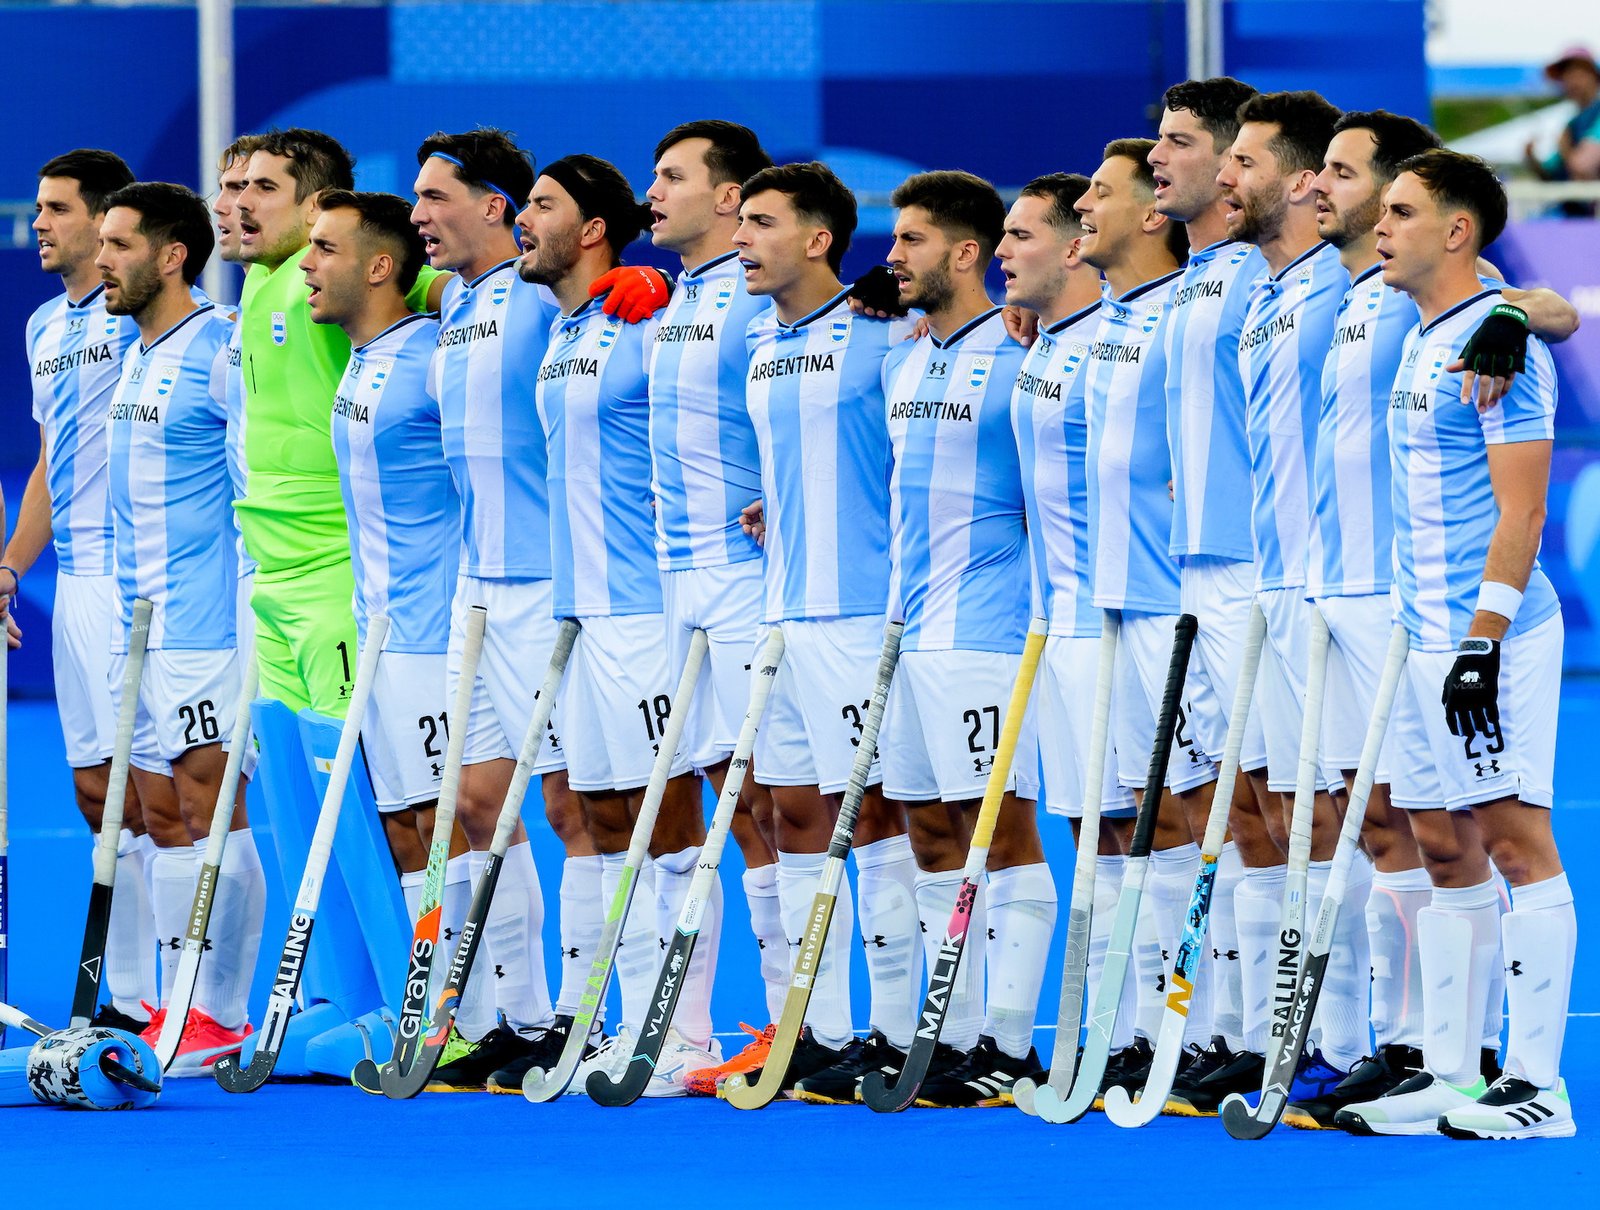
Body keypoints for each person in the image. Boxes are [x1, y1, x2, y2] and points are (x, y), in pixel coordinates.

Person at [1302, 113, 1581, 1129]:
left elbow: (1523, 513)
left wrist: (1481, 643)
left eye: (1402, 211)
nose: (1380, 224)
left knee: (1514, 842)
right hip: (1416, 634)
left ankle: (1538, 1087)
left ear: (1457, 231)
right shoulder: (1421, 334)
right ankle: (1451, 1074)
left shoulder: (1499, 347)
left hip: (1484, 638)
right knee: (1442, 847)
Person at [521, 154, 716, 1097]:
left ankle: (688, 1032)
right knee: (596, 820)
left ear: (593, 229)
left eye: (542, 205)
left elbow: (713, 371)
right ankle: (628, 1020)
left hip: (644, 608)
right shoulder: (562, 327)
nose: (523, 219)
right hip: (580, 612)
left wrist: (661, 289)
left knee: (664, 822)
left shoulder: (649, 315)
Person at [728, 161, 920, 1100]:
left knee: (871, 814)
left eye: (761, 223)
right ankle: (825, 1029)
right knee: (790, 813)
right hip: (783, 610)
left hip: (860, 612)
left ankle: (897, 1029)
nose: (741, 238)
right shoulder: (761, 339)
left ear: (817, 238)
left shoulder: (887, 331)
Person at [409, 129, 581, 1090]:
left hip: (549, 585)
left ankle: (588, 1014)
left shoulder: (543, 293)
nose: (419, 214)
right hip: (474, 588)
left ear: (495, 207)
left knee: (569, 805)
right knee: (477, 805)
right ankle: (523, 1018)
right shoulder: (452, 300)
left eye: (436, 197)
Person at [878, 170, 1053, 1103]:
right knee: (928, 830)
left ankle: (1011, 1045)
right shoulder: (903, 359)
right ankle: (950, 1036)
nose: (893, 256)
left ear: (966, 252)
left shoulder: (1022, 354)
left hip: (988, 631)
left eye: (911, 240)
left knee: (1003, 832)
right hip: (910, 633)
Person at [96, 181, 265, 1072]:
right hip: (141, 624)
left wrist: (250, 618)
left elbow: (253, 487)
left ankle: (222, 1012)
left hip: (206, 625)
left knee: (210, 809)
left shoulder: (220, 347)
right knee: (158, 812)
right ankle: (177, 999)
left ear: (171, 256)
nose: (101, 259)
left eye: (119, 245)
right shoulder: (135, 352)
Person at [637, 120, 791, 1093]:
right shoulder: (677, 295)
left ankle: (793, 1023)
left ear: (730, 197)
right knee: (699, 804)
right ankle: (685, 1034)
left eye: (672, 176)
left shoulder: (755, 294)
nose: (652, 191)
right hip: (673, 582)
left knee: (765, 803)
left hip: (744, 578)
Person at [1219, 89, 1365, 1108]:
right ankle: (1302, 1036)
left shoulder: (1350, 278)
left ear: (1304, 180)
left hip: (1338, 591)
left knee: (1362, 819)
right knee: (1281, 812)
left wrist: (1520, 310)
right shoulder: (1261, 287)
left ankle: (1365, 1044)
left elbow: (1500, 295)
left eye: (1245, 160)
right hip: (1269, 588)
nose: (1230, 176)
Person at [2, 148, 164, 1033]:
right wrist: (8, 568)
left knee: (162, 797)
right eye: (37, 207)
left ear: (105, 224)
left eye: (56, 208)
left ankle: (181, 999)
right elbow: (48, 465)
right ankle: (129, 999)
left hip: (149, 581)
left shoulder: (143, 314)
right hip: (76, 585)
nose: (38, 223)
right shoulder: (42, 328)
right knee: (98, 795)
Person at [1147, 76, 1274, 1113]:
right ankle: (1236, 1031)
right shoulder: (1187, 280)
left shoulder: (1269, 269)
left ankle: (1307, 1037)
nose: (1159, 156)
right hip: (1187, 571)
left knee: (1281, 807)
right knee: (1219, 812)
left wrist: (1517, 304)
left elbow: (1467, 281)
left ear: (1233, 166)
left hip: (1257, 569)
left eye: (1180, 141)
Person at [995, 170, 1136, 1096]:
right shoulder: (1043, 343)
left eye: (1024, 235)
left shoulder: (1113, 339)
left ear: (1077, 247)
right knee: (1093, 832)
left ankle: (1173, 1034)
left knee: (1145, 833)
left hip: (1117, 621)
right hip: (1056, 625)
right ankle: (1119, 1035)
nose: (1005, 251)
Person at [1076, 140, 1213, 1089]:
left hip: (1184, 605)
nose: (1085, 205)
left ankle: (1224, 1032)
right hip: (1117, 605)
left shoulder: (1189, 308)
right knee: (1144, 824)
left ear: (1153, 215)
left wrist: (1516, 301)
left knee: (1216, 821)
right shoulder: (1106, 316)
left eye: (1102, 191)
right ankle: (1162, 1028)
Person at [305, 190, 460, 984]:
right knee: (404, 827)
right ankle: (435, 1013)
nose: (307, 264)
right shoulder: (361, 358)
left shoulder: (434, 354)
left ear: (378, 267)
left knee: (450, 827)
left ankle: (496, 1013)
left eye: (325, 249)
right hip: (381, 635)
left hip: (437, 635)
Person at [1524, 46, 1600, 191]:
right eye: (1566, 75)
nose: (1571, 81)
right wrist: (1530, 157)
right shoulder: (1573, 123)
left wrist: (1565, 148)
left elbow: (1582, 167)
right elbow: (1550, 174)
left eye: (1579, 74)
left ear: (1595, 77)